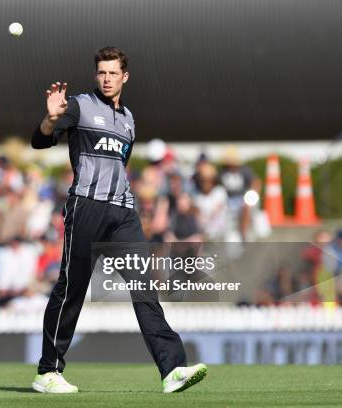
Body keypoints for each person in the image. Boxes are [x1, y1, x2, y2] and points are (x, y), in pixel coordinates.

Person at [30, 46, 206, 394]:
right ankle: (48, 371)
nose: (106, 79)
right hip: (87, 208)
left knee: (144, 288)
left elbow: (118, 167)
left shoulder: (128, 119)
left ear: (125, 76)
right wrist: (50, 118)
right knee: (72, 288)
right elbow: (40, 140)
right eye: (101, 73)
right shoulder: (80, 106)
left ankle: (172, 369)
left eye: (113, 73)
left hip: (123, 212)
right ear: (96, 75)